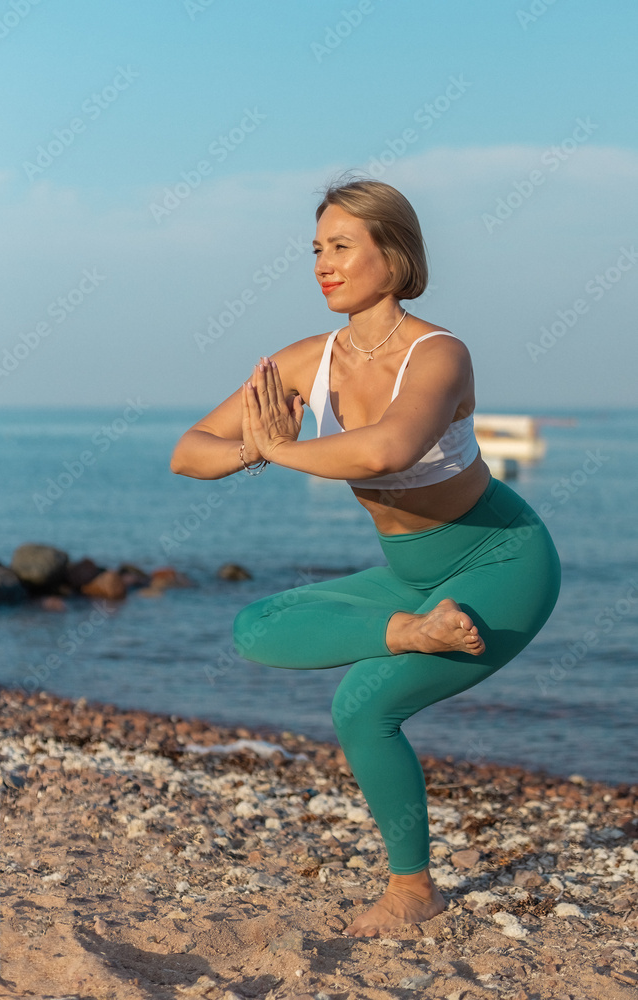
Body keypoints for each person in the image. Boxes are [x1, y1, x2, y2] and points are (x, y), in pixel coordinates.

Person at [170, 176, 561, 938]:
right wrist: (259, 444)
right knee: (254, 625)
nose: (323, 263)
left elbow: (388, 450)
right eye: (317, 249)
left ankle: (411, 891)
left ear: (395, 254)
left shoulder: (439, 354)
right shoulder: (306, 360)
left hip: (501, 559)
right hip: (412, 576)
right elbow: (190, 452)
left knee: (362, 706)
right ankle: (409, 631)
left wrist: (281, 447)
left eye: (342, 246)